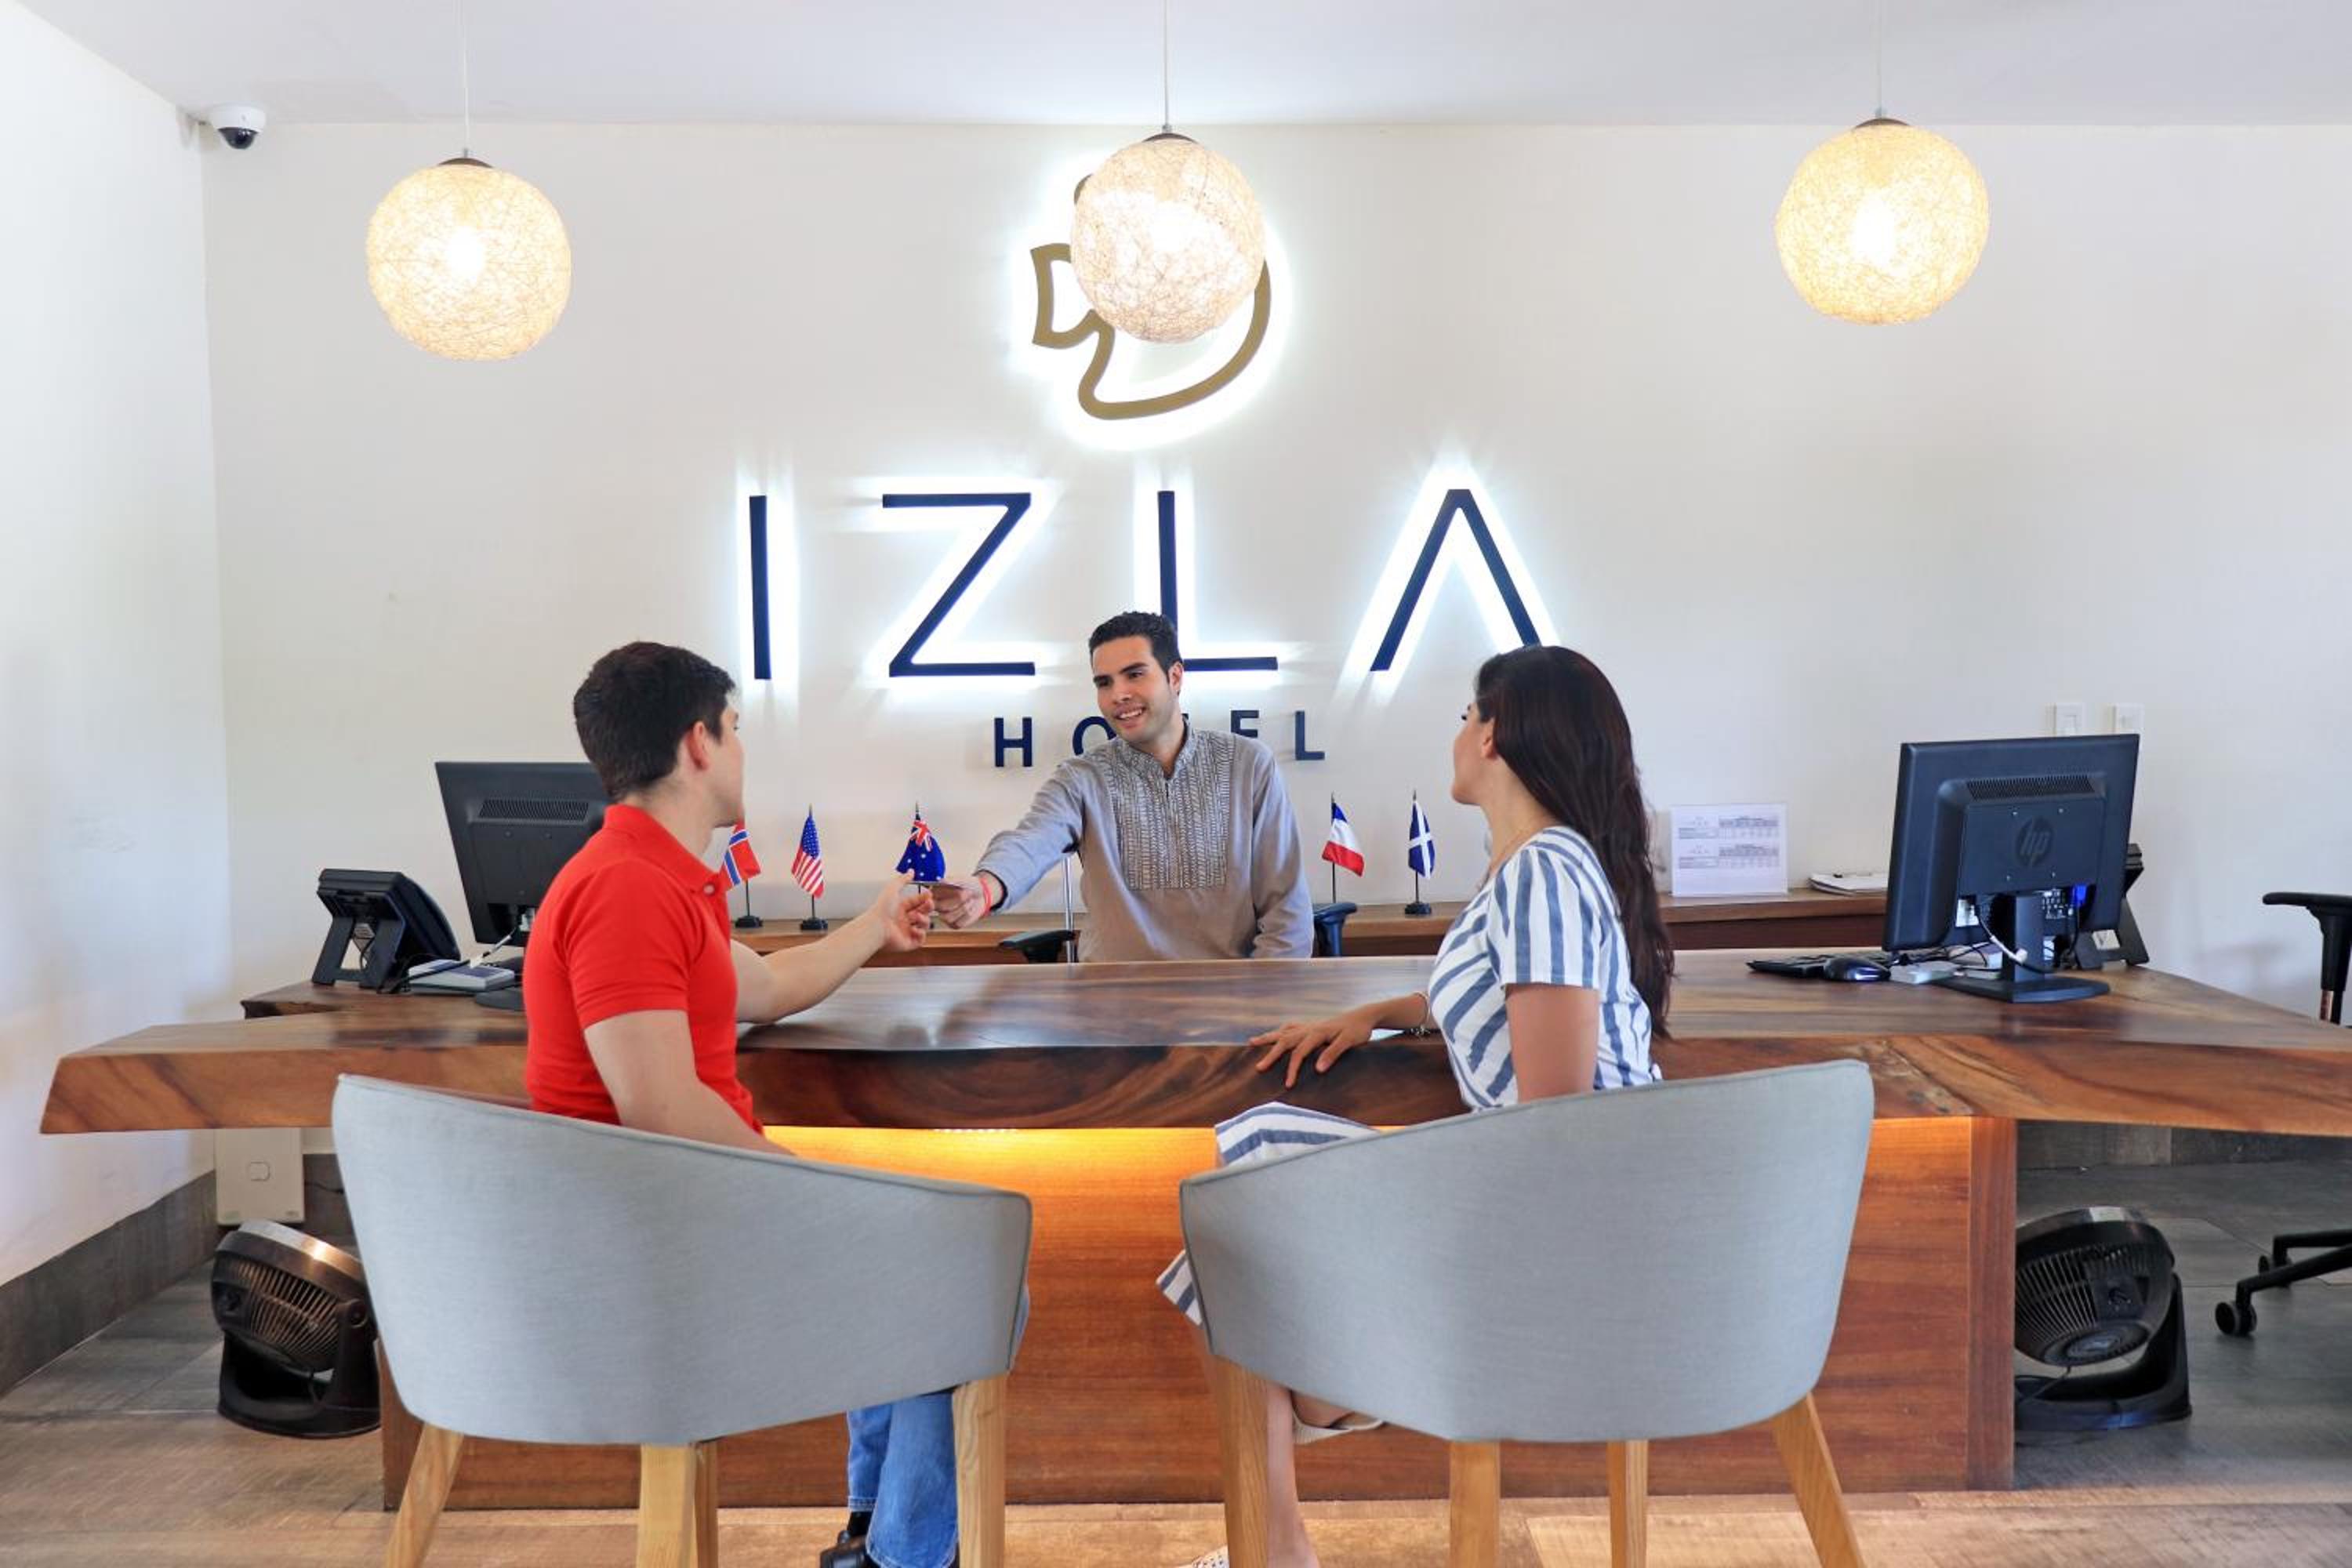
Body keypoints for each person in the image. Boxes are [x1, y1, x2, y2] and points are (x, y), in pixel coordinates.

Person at [1159, 645, 1675, 1568]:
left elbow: (1556, 1122)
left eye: (1464, 715)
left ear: (1495, 734)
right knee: (1236, 1236)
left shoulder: (1545, 870)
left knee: (1249, 1206)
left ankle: (1317, 1435)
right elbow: (1513, 993)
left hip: (1562, 1238)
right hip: (1576, 1219)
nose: (1457, 734)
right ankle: (1296, 1482)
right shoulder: (1539, 868)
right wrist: (1385, 1011)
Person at [521, 641, 956, 1568]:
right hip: (661, 1248)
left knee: (934, 1257)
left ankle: (877, 1534)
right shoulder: (626, 888)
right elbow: (660, 1105)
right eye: (735, 729)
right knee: (959, 1275)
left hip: (682, 1219)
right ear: (698, 744)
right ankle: (906, 1554)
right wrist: (814, 1191)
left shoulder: (657, 874)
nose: (744, 750)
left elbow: (768, 985)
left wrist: (874, 924)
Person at [931, 610, 1312, 960]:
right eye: (1104, 682)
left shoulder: (1248, 765)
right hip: (1112, 1002)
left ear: (1175, 677)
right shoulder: (1081, 778)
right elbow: (1030, 841)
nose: (1118, 695)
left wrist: (1255, 1002)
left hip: (1231, 1001)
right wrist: (986, 887)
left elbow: (1287, 915)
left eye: (1135, 675)